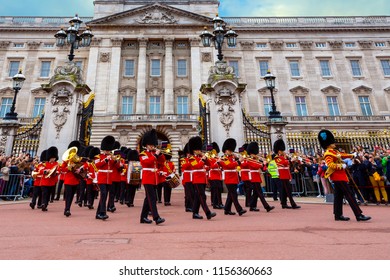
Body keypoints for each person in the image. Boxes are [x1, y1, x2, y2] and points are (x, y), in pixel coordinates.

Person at [318, 129, 371, 221]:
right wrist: (340, 166)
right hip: (337, 176)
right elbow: (330, 165)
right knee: (349, 195)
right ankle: (358, 214)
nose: (334, 143)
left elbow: (342, 155)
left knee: (338, 196)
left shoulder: (334, 151)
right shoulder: (328, 153)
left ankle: (338, 215)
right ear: (329, 144)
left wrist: (352, 155)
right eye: (332, 142)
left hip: (340, 176)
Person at [139, 129, 165, 225]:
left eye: (153, 145)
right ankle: (156, 217)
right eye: (151, 145)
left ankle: (143, 218)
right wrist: (155, 155)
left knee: (148, 198)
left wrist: (160, 154)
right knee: (152, 198)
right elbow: (146, 162)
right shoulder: (143, 154)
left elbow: (162, 162)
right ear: (146, 145)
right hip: (147, 178)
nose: (152, 146)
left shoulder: (154, 153)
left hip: (154, 178)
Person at [187, 136, 216, 220]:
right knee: (202, 196)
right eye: (197, 149)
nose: (199, 151)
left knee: (198, 196)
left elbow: (210, 164)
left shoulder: (200, 157)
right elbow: (197, 166)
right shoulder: (192, 158)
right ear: (194, 150)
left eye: (199, 149)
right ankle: (208, 213)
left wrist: (205, 158)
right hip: (197, 179)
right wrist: (202, 160)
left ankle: (195, 213)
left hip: (203, 179)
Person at [218, 138, 246, 216]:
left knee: (230, 195)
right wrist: (239, 160)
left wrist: (238, 158)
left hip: (234, 178)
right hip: (229, 178)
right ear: (225, 151)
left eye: (231, 150)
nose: (231, 152)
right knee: (234, 194)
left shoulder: (232, 157)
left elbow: (236, 164)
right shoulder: (223, 158)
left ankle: (227, 209)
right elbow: (229, 165)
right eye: (229, 150)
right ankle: (239, 209)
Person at [245, 142, 275, 213]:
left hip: (256, 176)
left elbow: (261, 166)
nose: (256, 154)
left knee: (256, 193)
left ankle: (252, 206)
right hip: (253, 177)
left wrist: (264, 163)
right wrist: (262, 163)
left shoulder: (255, 159)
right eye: (254, 153)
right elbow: (255, 166)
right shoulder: (249, 159)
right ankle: (266, 206)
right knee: (260, 192)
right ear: (251, 153)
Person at [273, 139, 301, 209]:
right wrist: (289, 160)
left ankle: (283, 203)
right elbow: (282, 164)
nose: (283, 152)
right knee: (288, 190)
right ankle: (293, 204)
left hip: (286, 174)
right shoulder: (277, 158)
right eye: (282, 151)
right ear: (279, 151)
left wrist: (293, 161)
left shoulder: (284, 157)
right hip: (283, 175)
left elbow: (289, 164)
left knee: (284, 190)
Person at [95, 136, 116, 220]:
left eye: (109, 150)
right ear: (103, 149)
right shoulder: (98, 157)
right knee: (103, 194)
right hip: (102, 178)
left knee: (105, 195)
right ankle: (103, 213)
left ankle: (98, 213)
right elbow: (97, 165)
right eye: (106, 150)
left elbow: (116, 166)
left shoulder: (111, 157)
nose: (108, 151)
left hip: (109, 179)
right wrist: (105, 160)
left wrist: (116, 161)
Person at [40, 146, 59, 212]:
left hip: (51, 182)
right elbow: (41, 170)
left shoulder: (57, 164)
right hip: (45, 181)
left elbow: (58, 170)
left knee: (48, 194)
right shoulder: (45, 164)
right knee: (44, 193)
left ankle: (46, 204)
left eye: (54, 158)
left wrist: (56, 172)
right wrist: (46, 171)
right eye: (51, 158)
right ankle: (43, 203)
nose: (52, 159)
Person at [207, 142, 224, 209]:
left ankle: (219, 203)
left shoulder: (217, 158)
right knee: (215, 190)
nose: (216, 153)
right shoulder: (210, 159)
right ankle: (215, 203)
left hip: (218, 176)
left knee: (219, 189)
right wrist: (218, 161)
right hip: (213, 176)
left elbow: (222, 166)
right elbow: (212, 166)